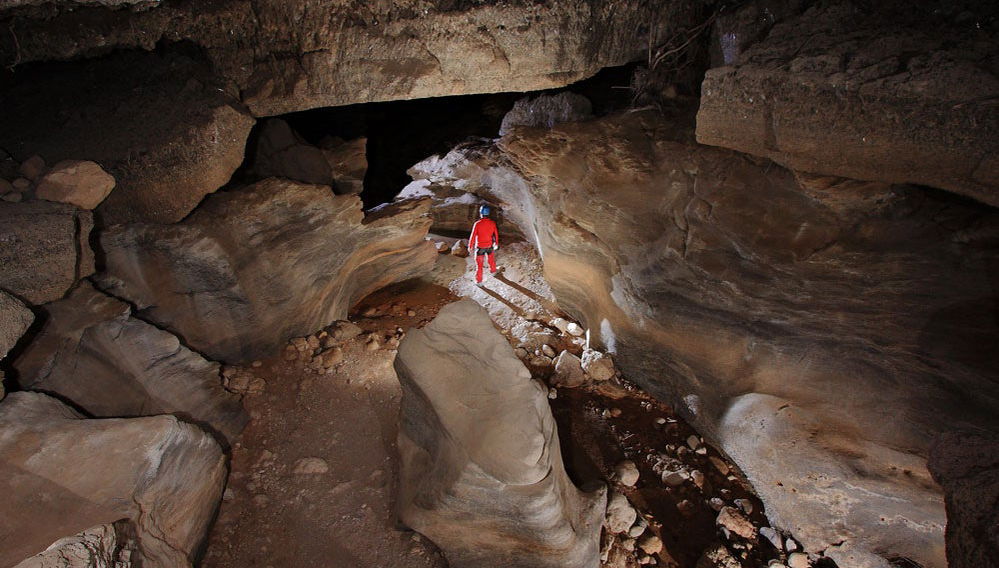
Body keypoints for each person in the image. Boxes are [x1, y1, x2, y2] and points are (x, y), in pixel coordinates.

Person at [468, 204, 499, 285]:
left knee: (479, 265)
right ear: (488, 213)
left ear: (480, 213)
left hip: (480, 247)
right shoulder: (492, 223)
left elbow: (473, 235)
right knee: (491, 260)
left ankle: (479, 281)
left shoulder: (477, 224)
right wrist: (496, 243)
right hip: (489, 246)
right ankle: (493, 272)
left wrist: (470, 246)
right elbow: (495, 234)